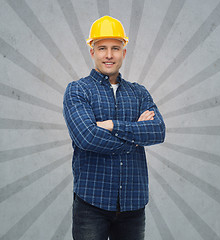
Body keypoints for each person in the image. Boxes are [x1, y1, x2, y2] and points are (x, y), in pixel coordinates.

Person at [63, 15, 165, 240]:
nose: (109, 55)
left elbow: (158, 130)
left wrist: (111, 126)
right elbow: (87, 137)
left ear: (124, 52)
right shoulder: (78, 91)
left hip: (133, 205)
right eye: (102, 48)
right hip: (91, 203)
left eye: (115, 48)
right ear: (92, 51)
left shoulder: (139, 93)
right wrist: (136, 133)